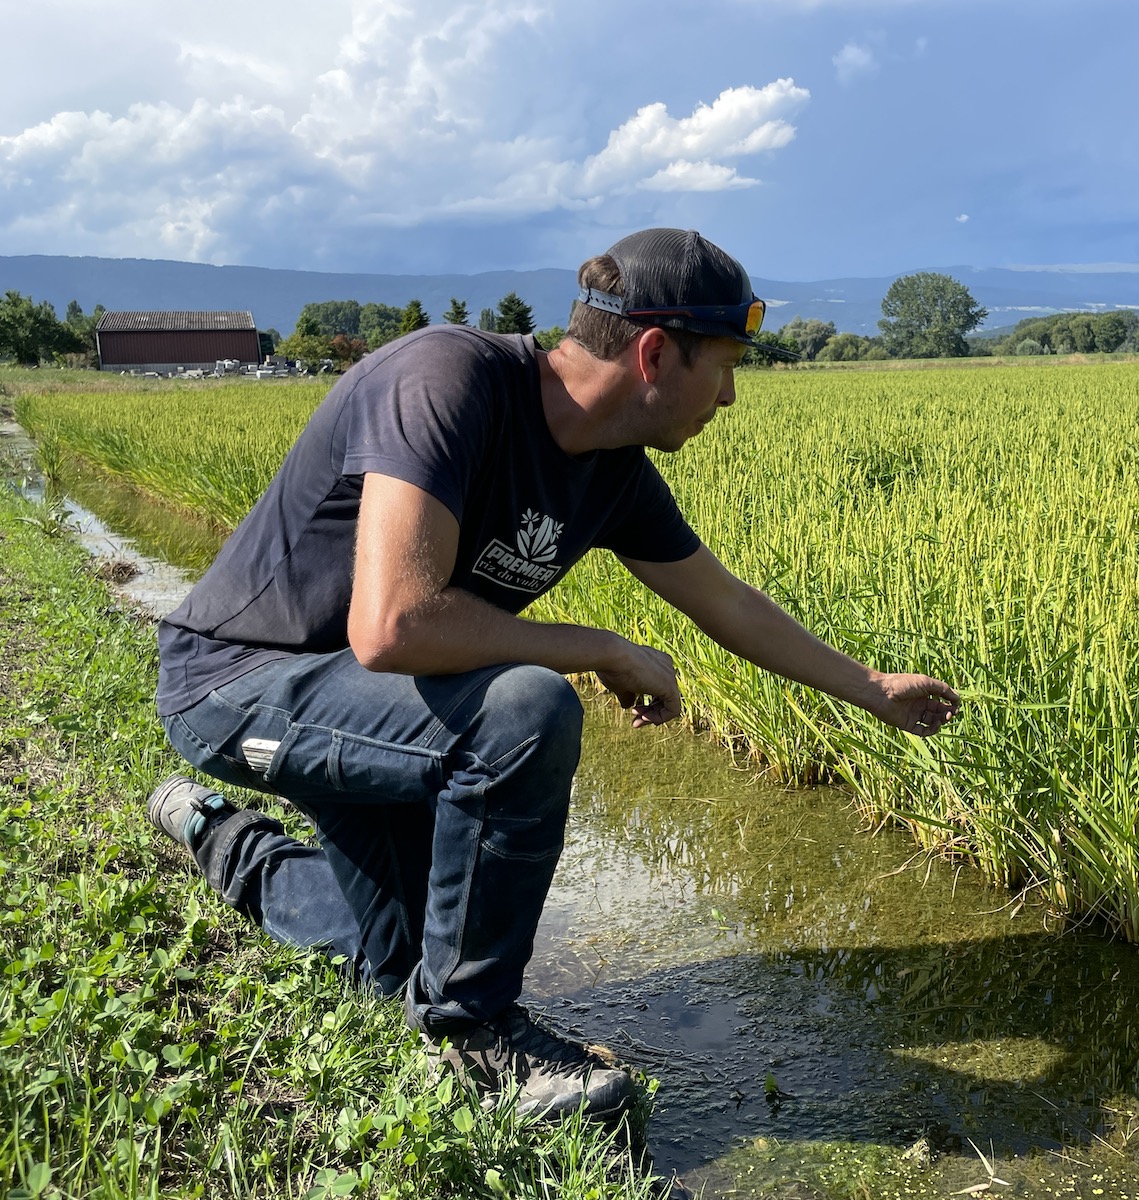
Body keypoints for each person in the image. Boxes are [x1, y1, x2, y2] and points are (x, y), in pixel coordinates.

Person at [146, 228, 961, 1121]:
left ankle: (221, 838)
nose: (729, 396)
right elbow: (393, 625)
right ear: (655, 353)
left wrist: (873, 688)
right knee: (525, 709)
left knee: (403, 961)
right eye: (725, 365)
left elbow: (727, 605)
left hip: (370, 705)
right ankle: (479, 1039)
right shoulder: (448, 380)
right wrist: (602, 648)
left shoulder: (613, 473)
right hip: (236, 681)